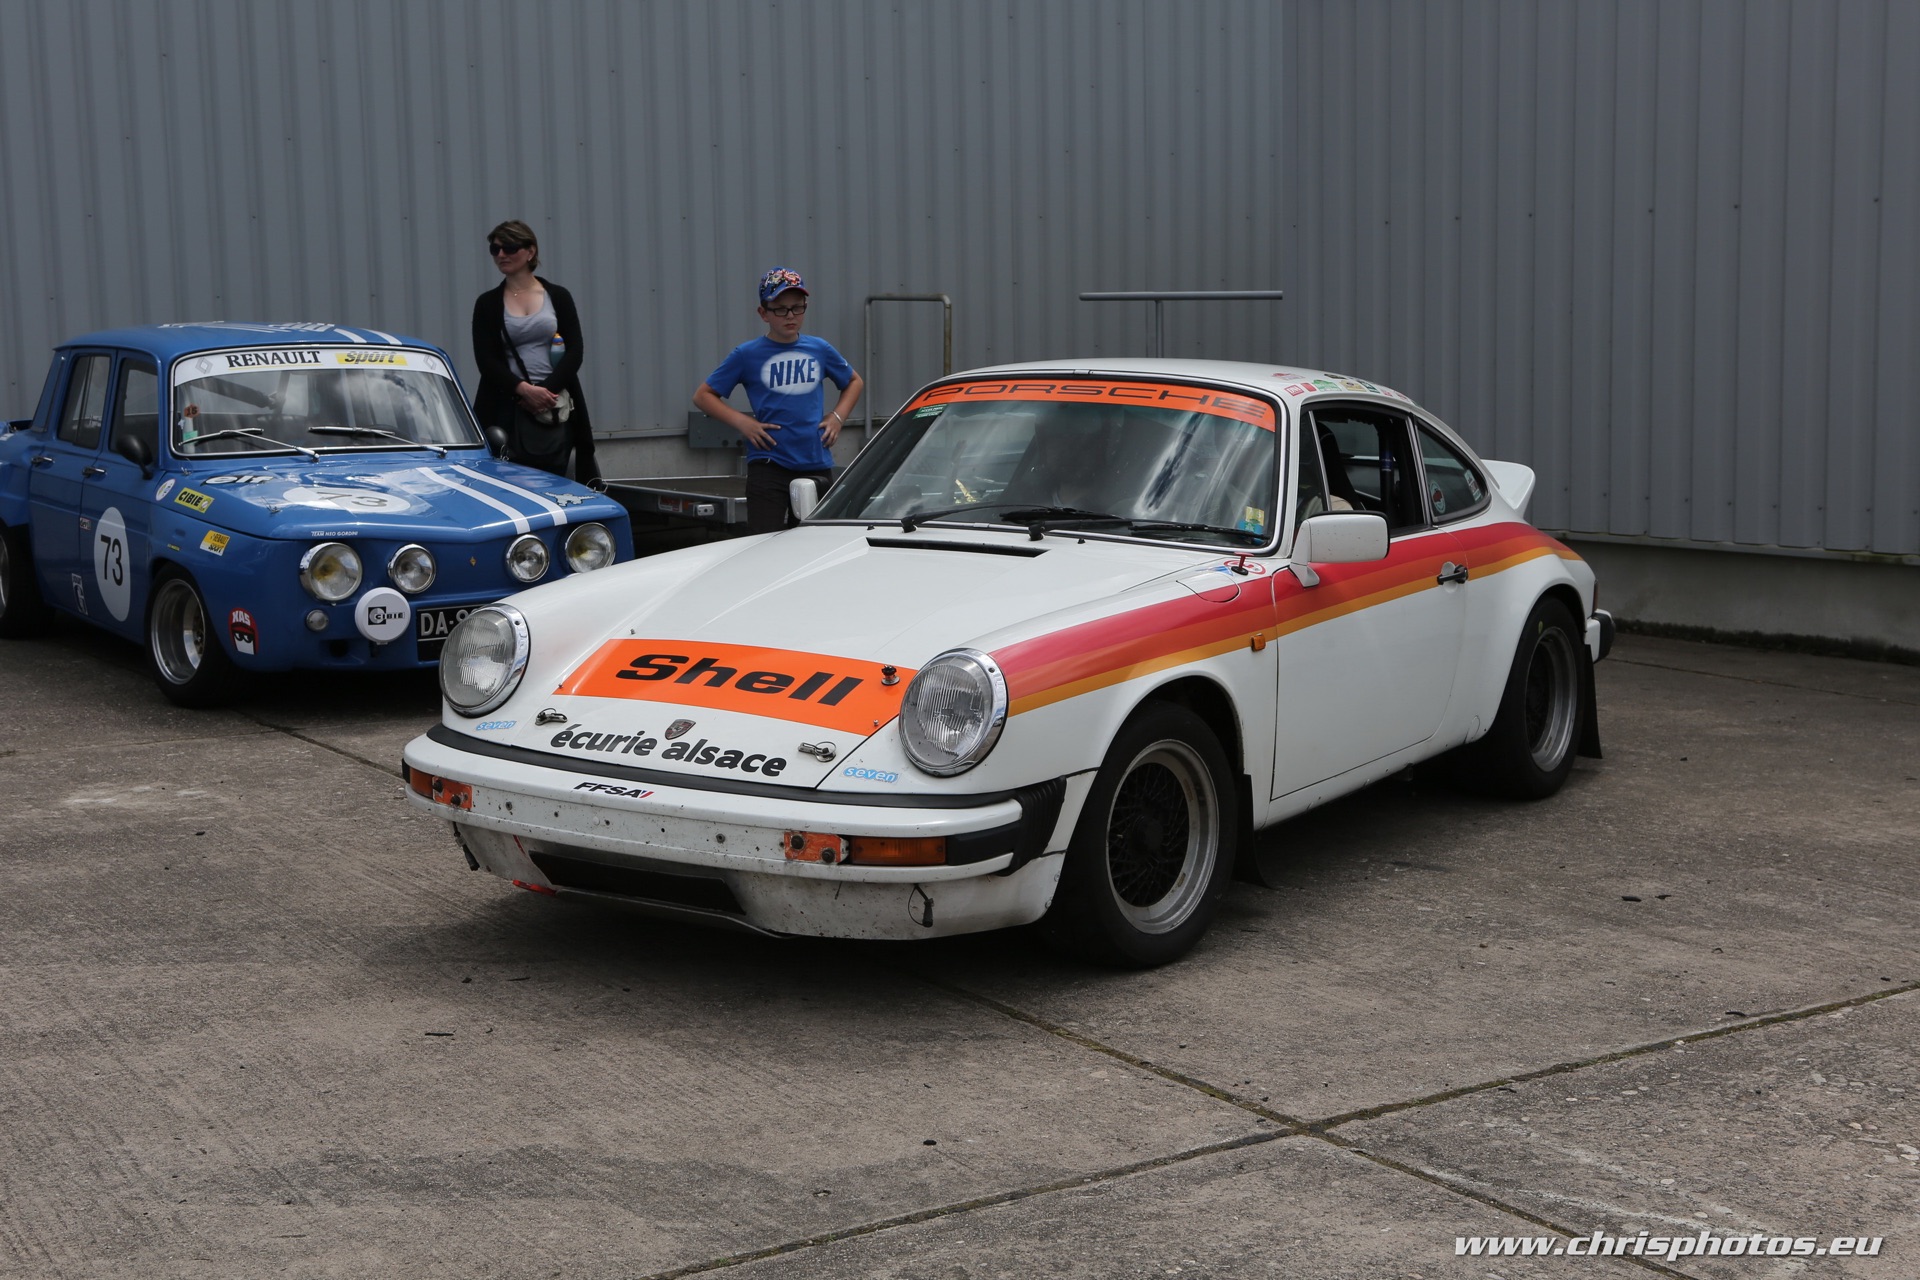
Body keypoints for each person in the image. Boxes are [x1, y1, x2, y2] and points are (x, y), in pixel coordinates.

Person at [694, 267, 863, 534]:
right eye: (781, 309)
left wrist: (837, 417)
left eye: (797, 308)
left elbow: (854, 381)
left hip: (815, 463)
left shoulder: (819, 349)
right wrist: (743, 423)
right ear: (764, 313)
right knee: (765, 542)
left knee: (813, 543)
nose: (790, 316)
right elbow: (703, 396)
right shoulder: (746, 354)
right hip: (769, 465)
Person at [470, 220, 602, 486]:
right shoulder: (487, 303)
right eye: (495, 249)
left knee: (560, 479)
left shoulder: (558, 296)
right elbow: (486, 360)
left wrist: (545, 391)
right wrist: (523, 390)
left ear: (530, 252)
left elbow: (575, 350)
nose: (501, 255)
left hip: (555, 403)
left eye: (509, 247)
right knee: (506, 479)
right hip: (506, 405)